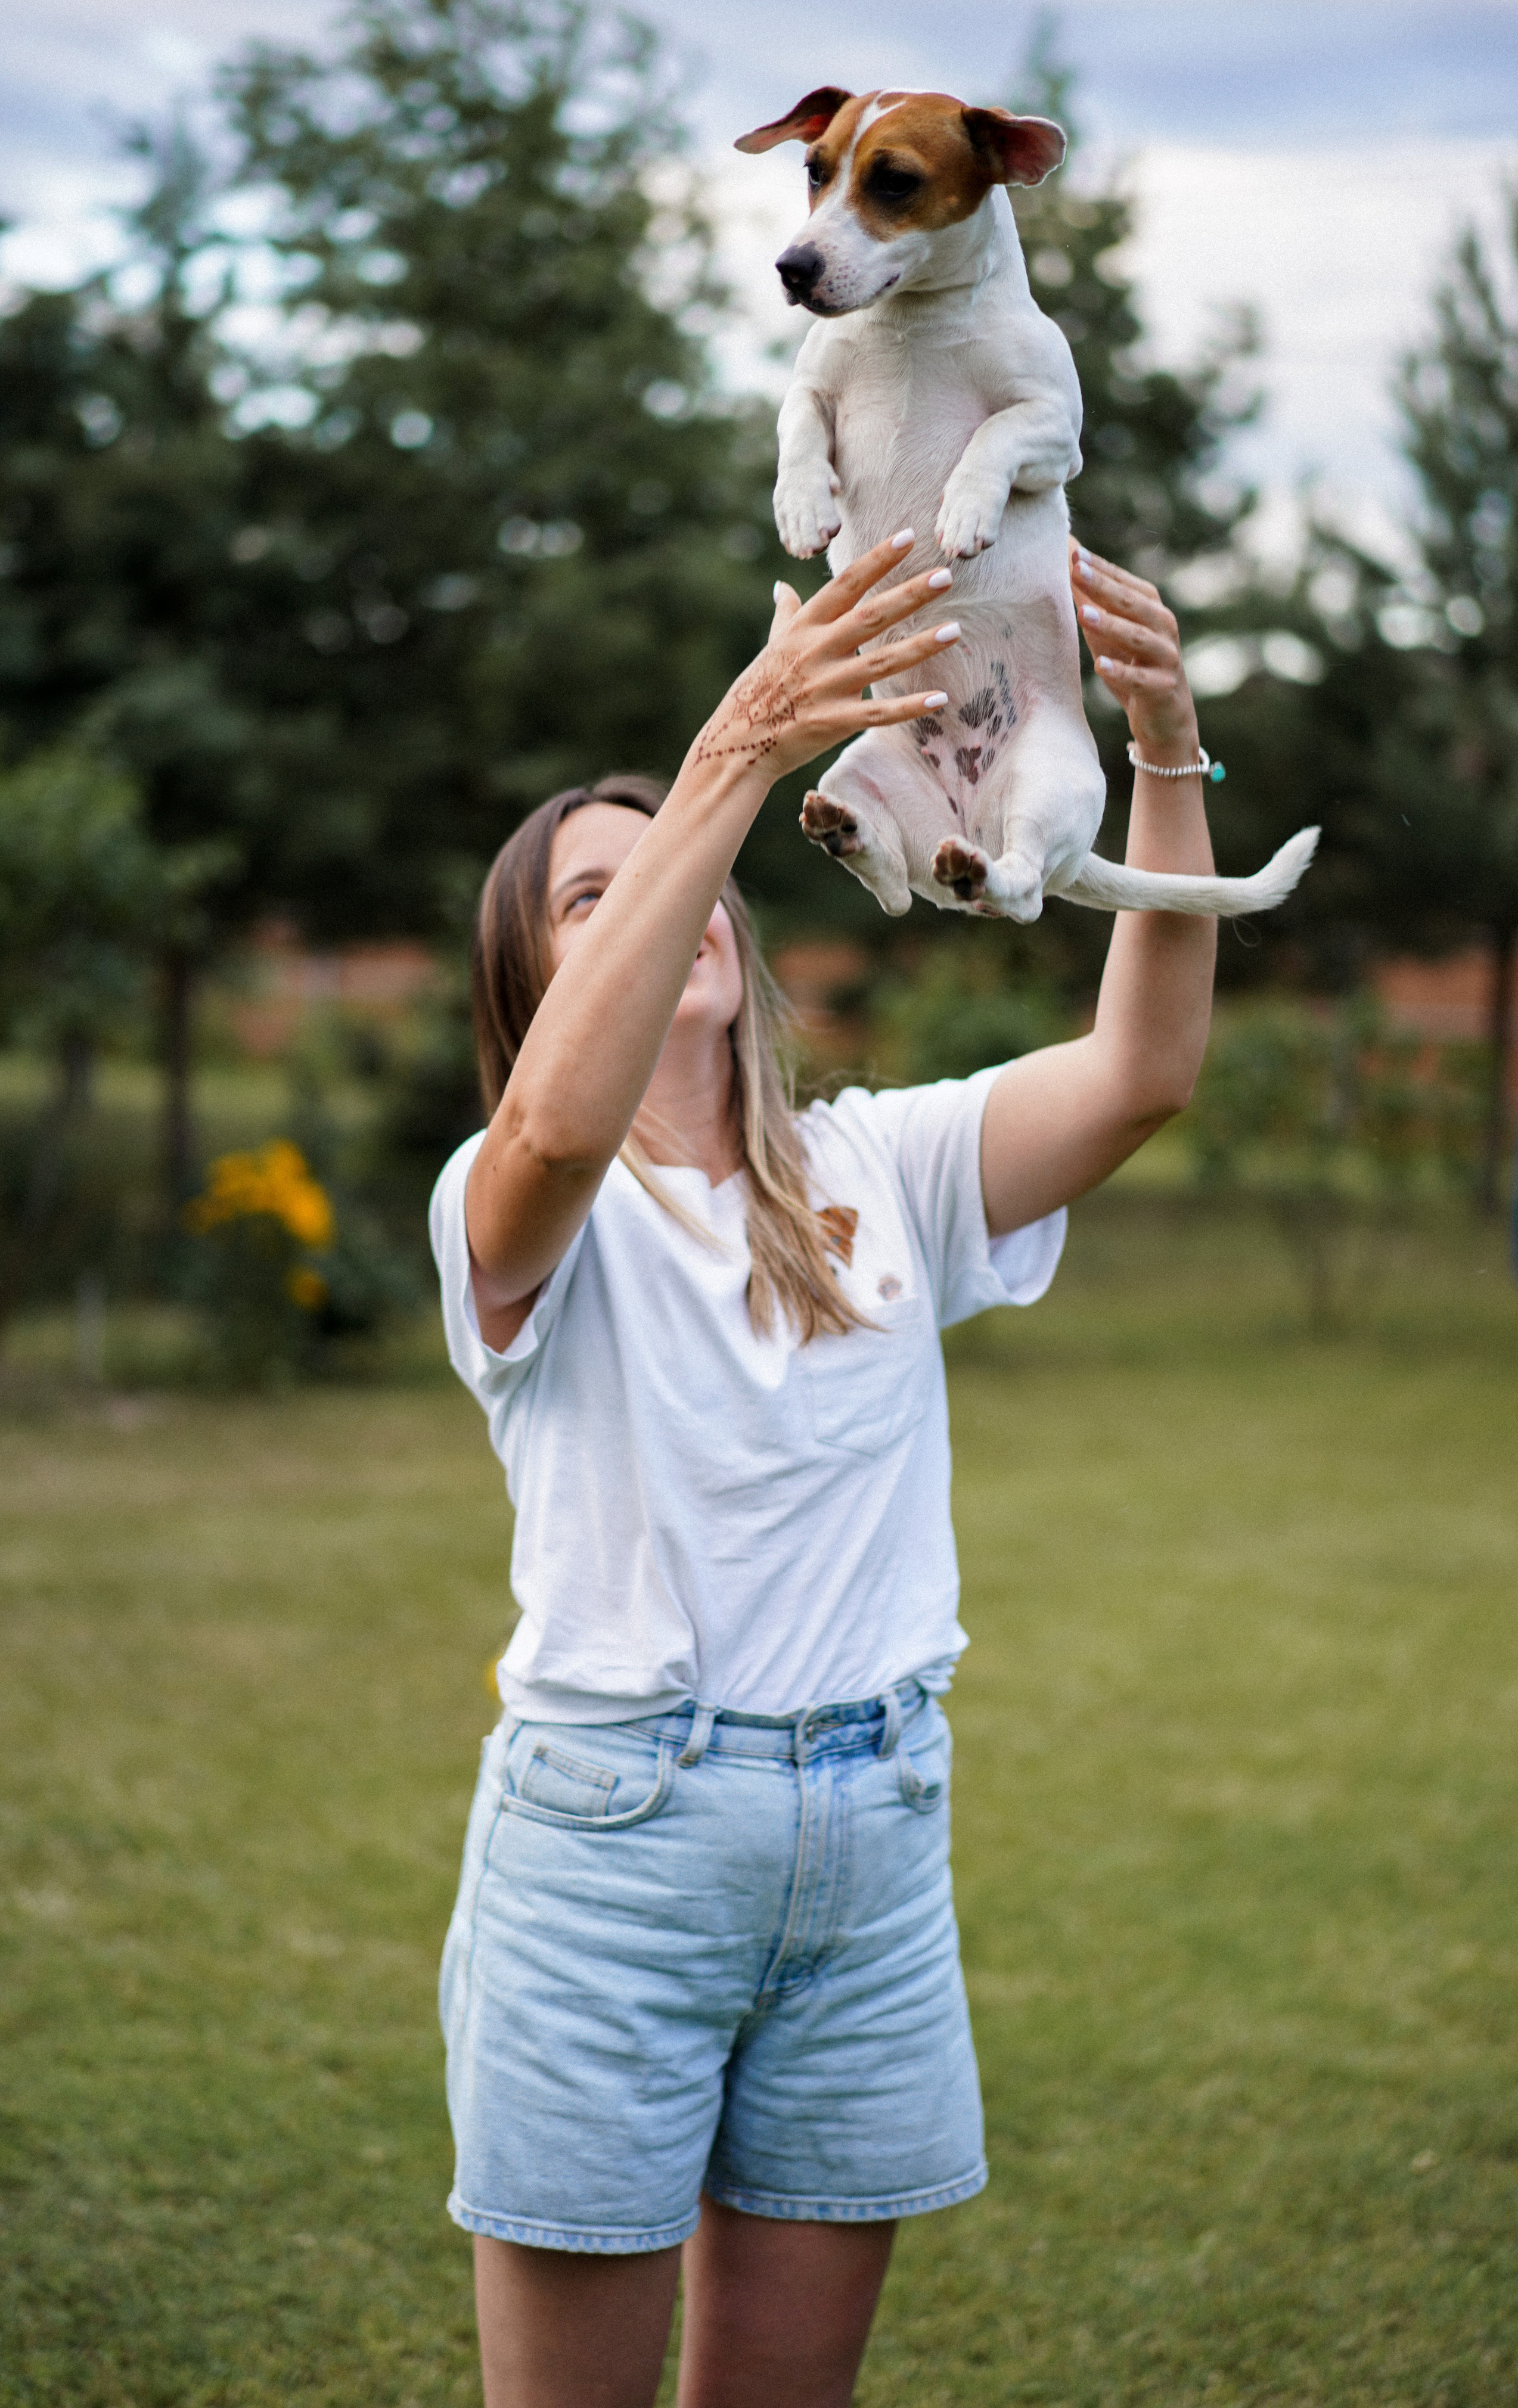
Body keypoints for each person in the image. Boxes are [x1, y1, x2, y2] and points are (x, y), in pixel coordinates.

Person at [430, 530, 1219, 2408]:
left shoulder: (887, 1166)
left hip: (873, 1841)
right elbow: (555, 1115)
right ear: (539, 970)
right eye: (598, 894)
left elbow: (1143, 1072)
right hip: (613, 1853)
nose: (665, 904)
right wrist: (737, 755)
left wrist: (1169, 741)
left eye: (682, 879)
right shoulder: (510, 1204)